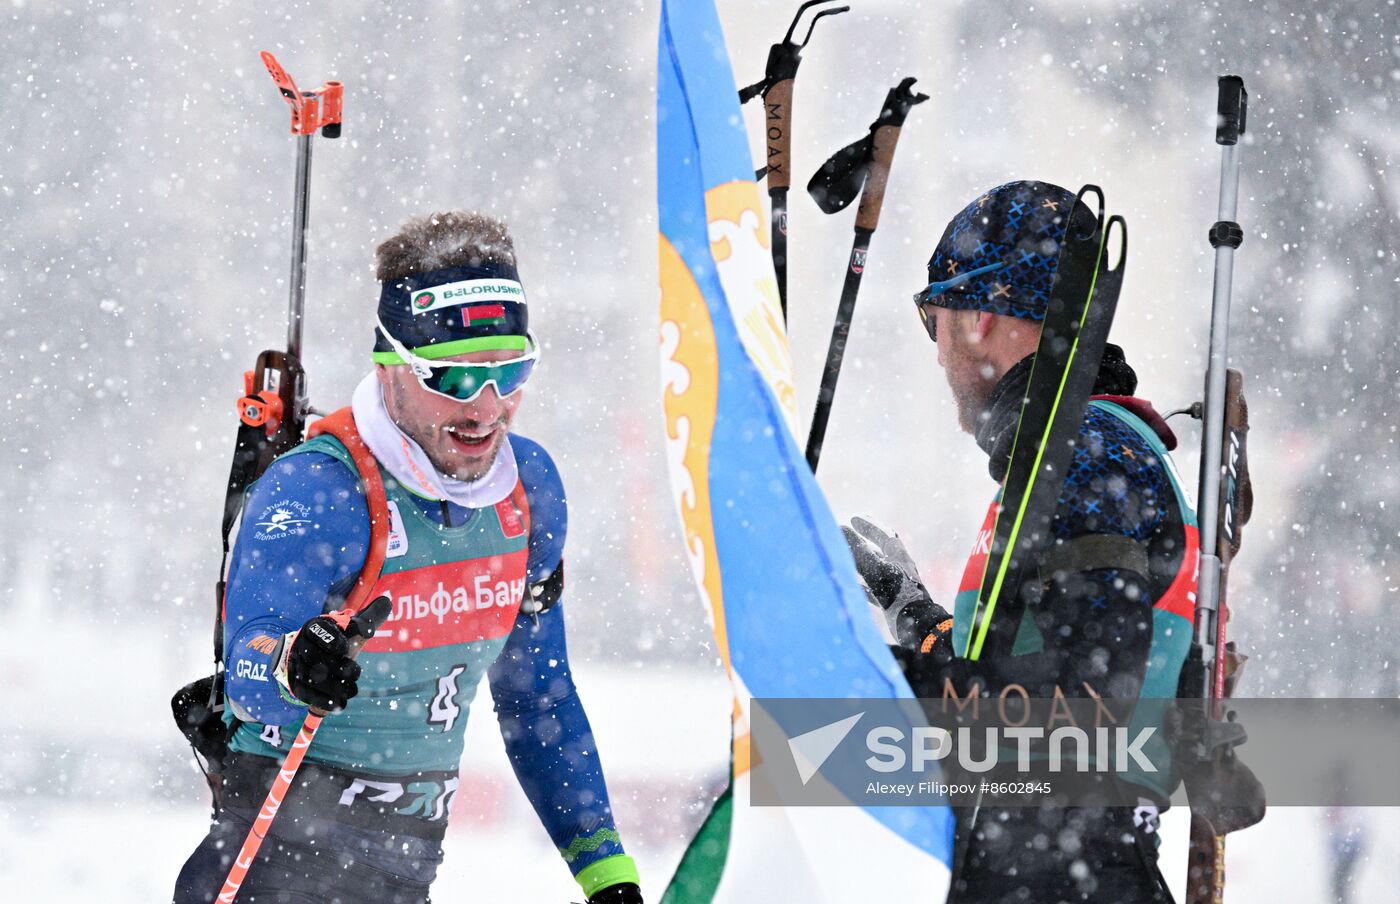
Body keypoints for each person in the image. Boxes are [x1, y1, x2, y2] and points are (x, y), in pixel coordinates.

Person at [174, 211, 642, 904]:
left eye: (509, 371)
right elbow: (247, 667)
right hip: (274, 864)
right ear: (390, 364)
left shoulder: (528, 494)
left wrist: (605, 873)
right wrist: (292, 663)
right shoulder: (320, 492)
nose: (487, 407)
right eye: (453, 378)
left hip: (402, 873)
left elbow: (538, 701)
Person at [845, 181, 1197, 903]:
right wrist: (920, 623)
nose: (937, 348)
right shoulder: (1068, 458)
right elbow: (1028, 688)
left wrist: (869, 678)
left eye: (932, 319)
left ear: (977, 319)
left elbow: (1083, 711)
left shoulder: (1087, 455)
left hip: (1066, 878)